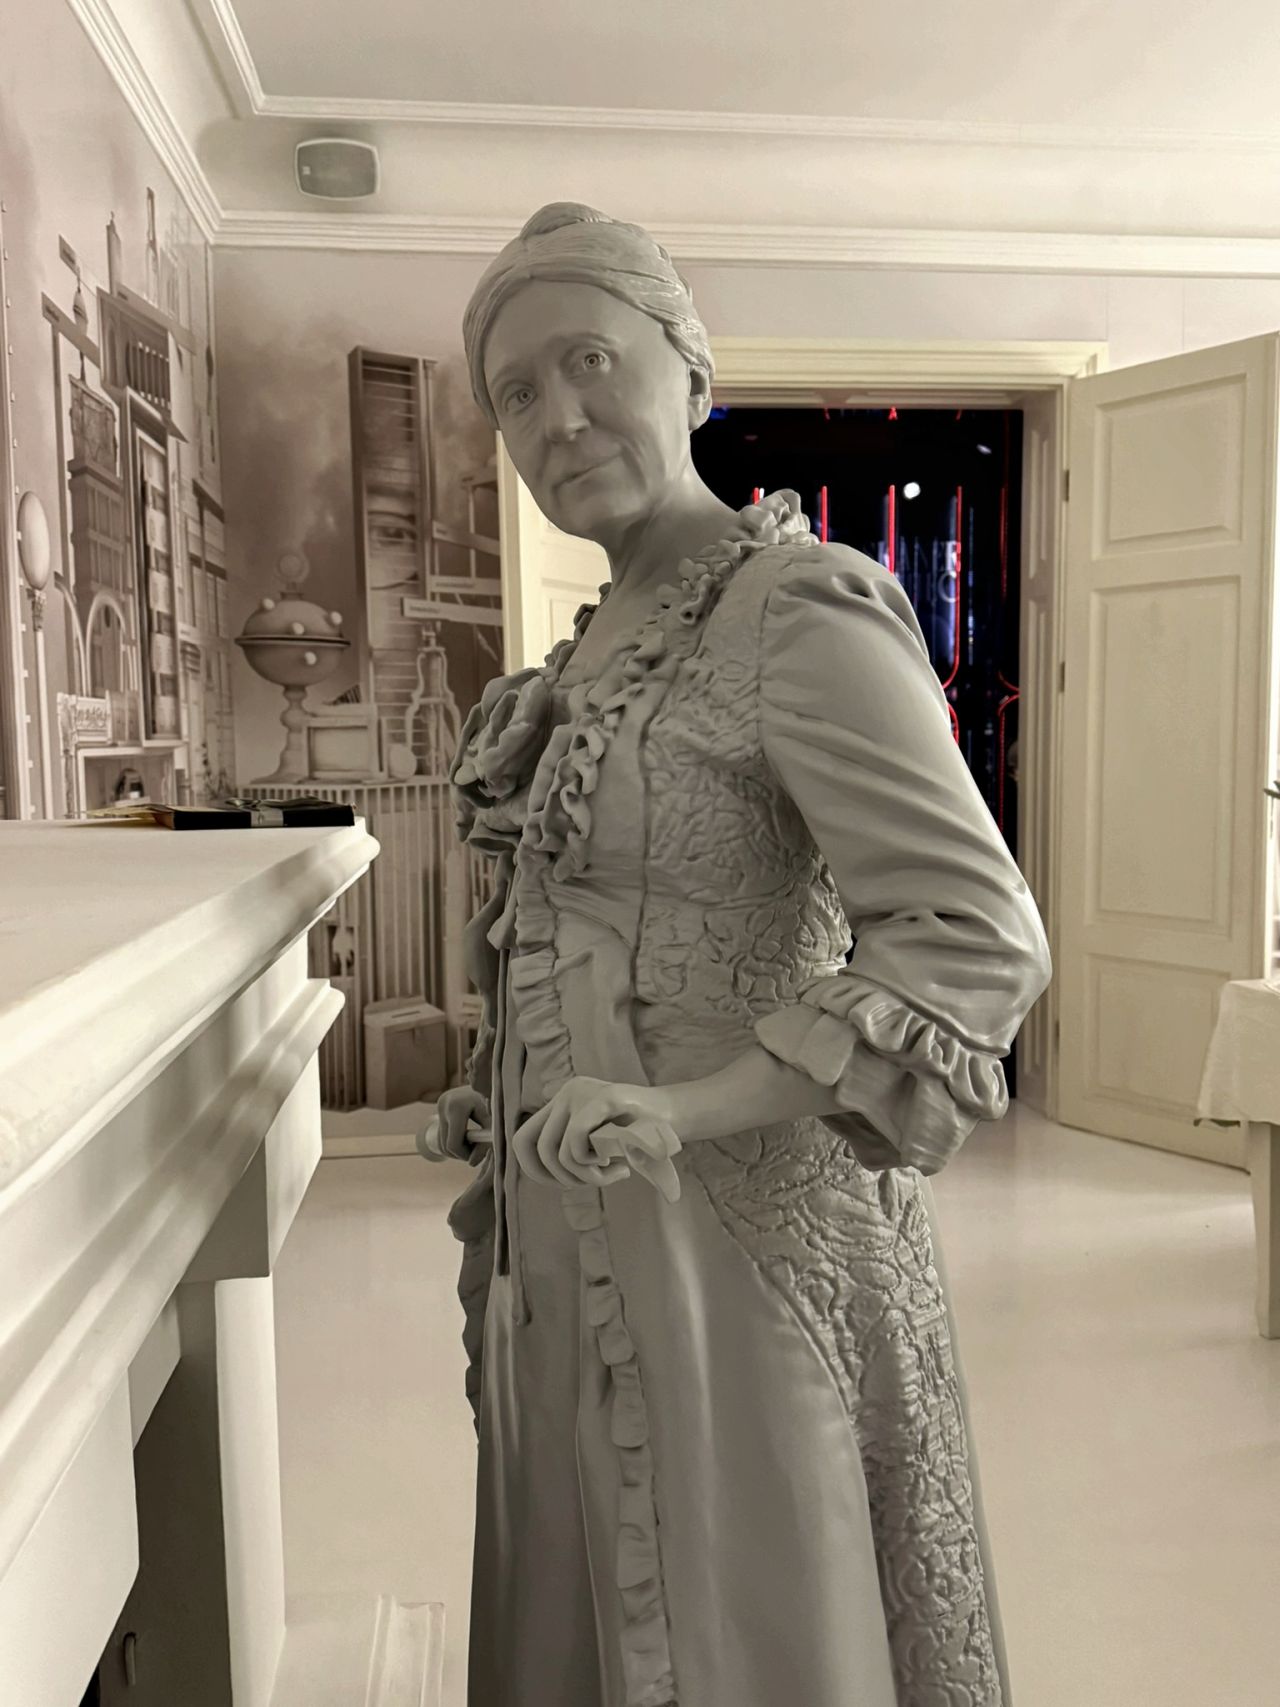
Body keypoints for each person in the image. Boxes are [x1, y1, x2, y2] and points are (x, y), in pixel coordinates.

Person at [419, 201, 1052, 1707]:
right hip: (570, 1221)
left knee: (742, 1612)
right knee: (595, 1579)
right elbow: (572, 929)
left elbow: (976, 932)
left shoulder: (801, 608)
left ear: (690, 370)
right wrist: (496, 1094)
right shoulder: (581, 654)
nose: (559, 419)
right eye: (517, 391)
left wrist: (686, 1106)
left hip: (742, 1237)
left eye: (591, 361)